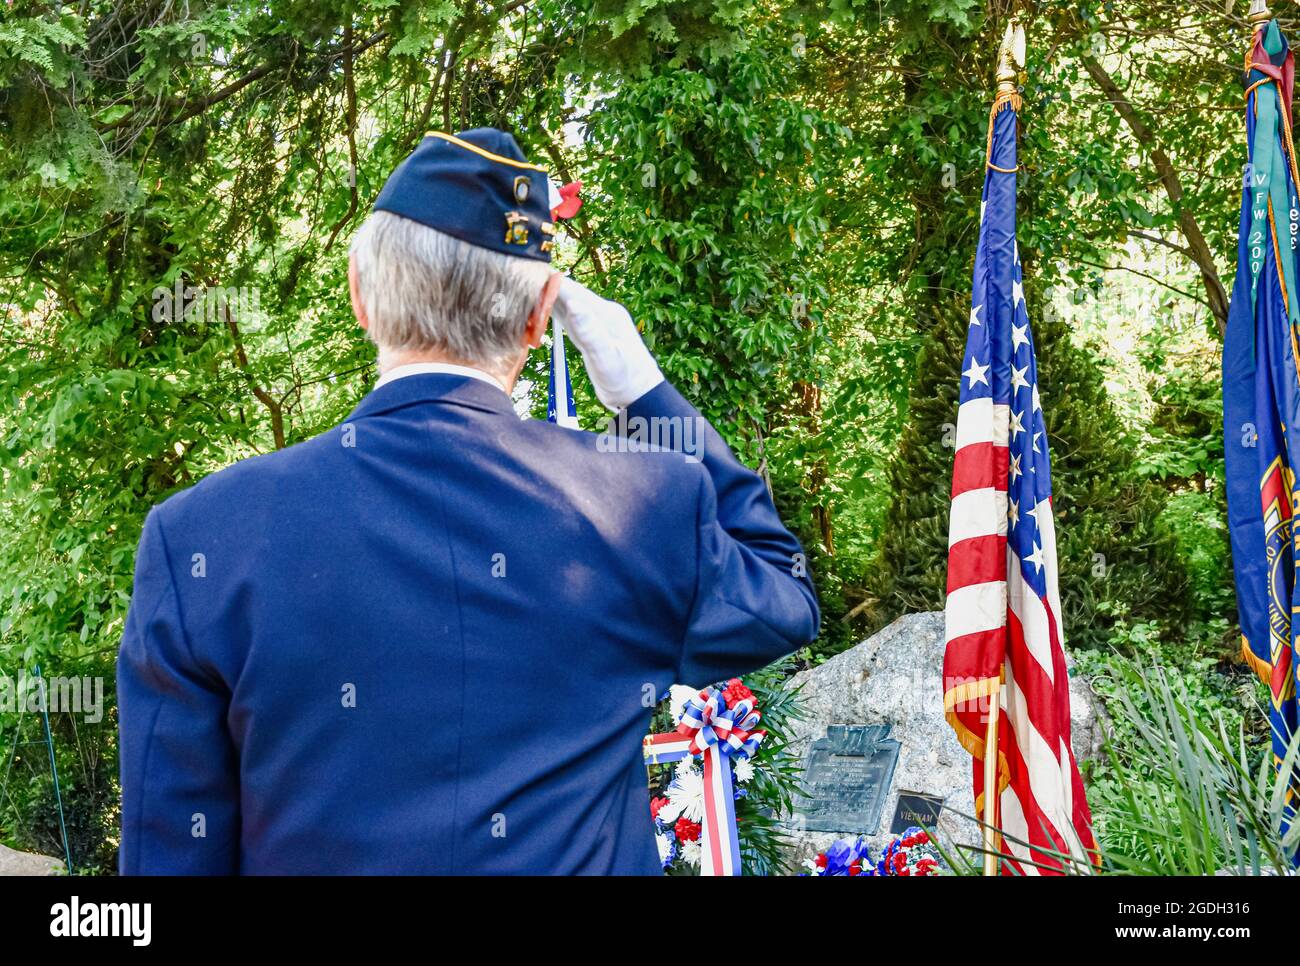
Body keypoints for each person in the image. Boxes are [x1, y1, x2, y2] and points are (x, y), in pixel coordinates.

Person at [117, 127, 820, 875]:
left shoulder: (201, 535)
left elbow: (169, 857)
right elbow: (783, 594)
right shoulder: (642, 501)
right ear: (539, 314)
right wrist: (643, 395)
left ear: (358, 290)